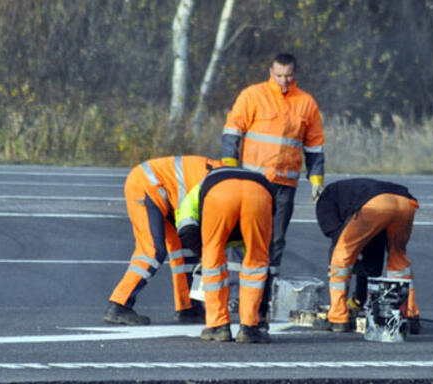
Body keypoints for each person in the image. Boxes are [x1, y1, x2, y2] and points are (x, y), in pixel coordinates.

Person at [220, 52, 325, 279]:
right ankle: (239, 292)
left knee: (276, 239)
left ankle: (269, 291)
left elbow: (314, 145)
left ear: (295, 74)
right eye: (279, 75)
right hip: (252, 182)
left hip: (285, 185)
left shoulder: (306, 103)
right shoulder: (253, 96)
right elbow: (232, 131)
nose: (283, 80)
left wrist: (317, 180)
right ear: (271, 73)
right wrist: (229, 167)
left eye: (288, 76)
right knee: (243, 235)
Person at [104, 155, 222, 325]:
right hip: (148, 184)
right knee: (151, 251)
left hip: (164, 191)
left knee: (185, 252)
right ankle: (119, 305)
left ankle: (188, 308)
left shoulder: (224, 179)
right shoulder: (222, 188)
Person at [176, 167, 274, 343]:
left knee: (212, 260)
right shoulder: (251, 179)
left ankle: (217, 326)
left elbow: (186, 228)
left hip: (219, 195)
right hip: (260, 193)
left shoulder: (195, 192)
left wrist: (203, 254)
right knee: (257, 262)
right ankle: (250, 328)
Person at [313, 178, 421, 333]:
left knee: (340, 258)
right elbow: (374, 250)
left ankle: (338, 318)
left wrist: (352, 259)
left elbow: (335, 236)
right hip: (406, 203)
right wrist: (360, 296)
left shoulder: (326, 199)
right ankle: (409, 315)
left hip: (375, 204)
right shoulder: (348, 192)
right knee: (398, 260)